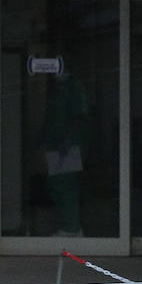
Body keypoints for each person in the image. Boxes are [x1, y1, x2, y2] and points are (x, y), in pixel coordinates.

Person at [40, 67, 88, 237]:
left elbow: (78, 118)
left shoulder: (73, 88)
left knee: (65, 185)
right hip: (56, 144)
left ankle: (71, 228)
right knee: (57, 185)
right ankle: (67, 225)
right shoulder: (58, 89)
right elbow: (52, 118)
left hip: (66, 146)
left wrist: (69, 141)